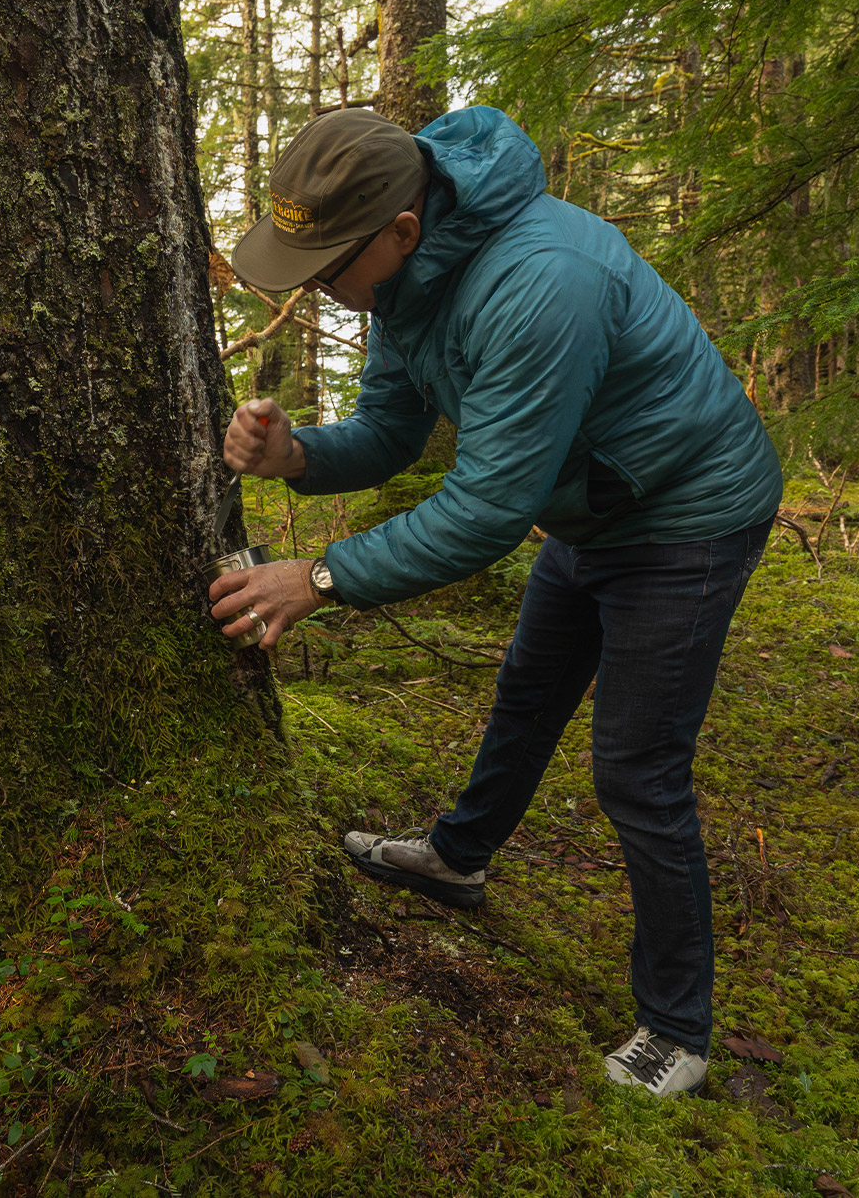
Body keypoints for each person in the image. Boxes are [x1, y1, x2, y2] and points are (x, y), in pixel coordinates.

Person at [207, 106, 783, 1099]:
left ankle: (675, 1025)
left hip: (685, 517)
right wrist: (295, 452)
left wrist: (318, 576)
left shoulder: (536, 282)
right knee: (525, 690)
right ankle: (455, 861)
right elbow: (391, 427)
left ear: (399, 227)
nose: (316, 291)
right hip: (592, 509)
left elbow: (481, 512)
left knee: (637, 767)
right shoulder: (411, 278)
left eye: (326, 265)